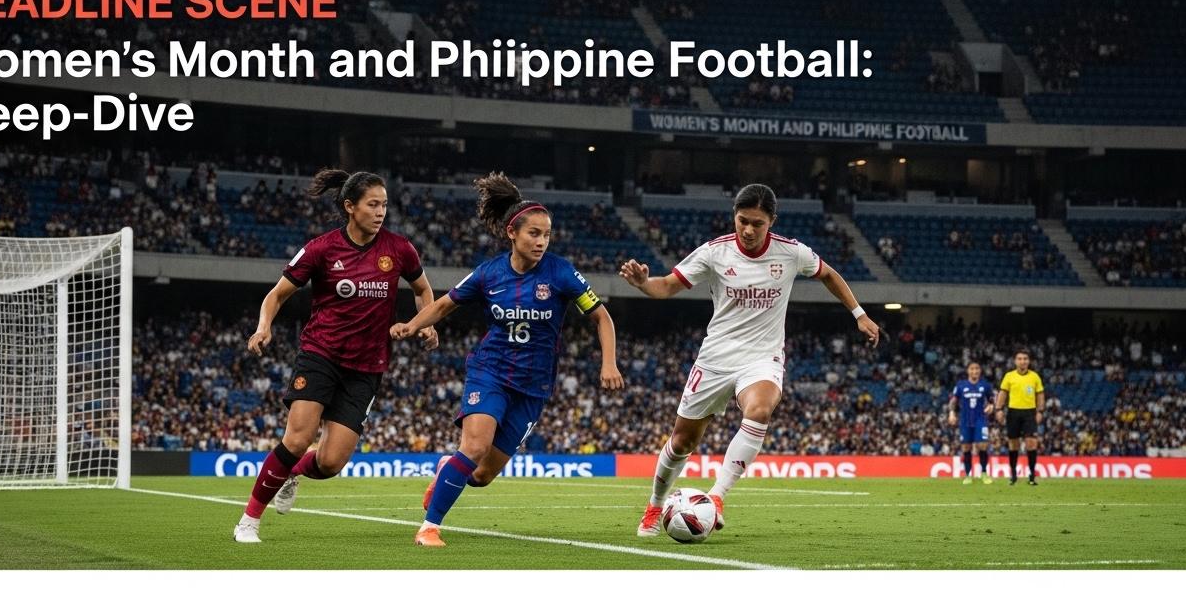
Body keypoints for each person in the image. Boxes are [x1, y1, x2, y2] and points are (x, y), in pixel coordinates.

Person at [618, 183, 880, 536]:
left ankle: (717, 496)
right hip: (716, 358)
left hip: (762, 357)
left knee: (759, 410)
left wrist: (859, 314)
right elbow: (666, 286)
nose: (749, 230)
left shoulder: (792, 253)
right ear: (734, 217)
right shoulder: (714, 252)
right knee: (682, 441)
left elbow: (829, 274)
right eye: (743, 221)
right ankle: (654, 506)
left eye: (758, 223)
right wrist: (643, 283)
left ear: (772, 221)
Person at [390, 173, 622, 547]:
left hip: (534, 385)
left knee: (481, 475)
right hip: (491, 372)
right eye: (534, 233)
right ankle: (429, 527)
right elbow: (445, 304)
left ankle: (447, 469)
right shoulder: (489, 273)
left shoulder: (562, 273)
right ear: (512, 232)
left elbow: (601, 317)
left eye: (547, 235)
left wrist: (608, 362)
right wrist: (413, 324)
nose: (541, 241)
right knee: (474, 446)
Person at [233, 169, 439, 543]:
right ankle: (249, 521)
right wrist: (263, 327)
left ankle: (292, 472)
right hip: (321, 354)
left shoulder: (399, 249)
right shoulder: (322, 249)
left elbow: (424, 290)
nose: (380, 212)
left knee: (330, 463)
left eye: (384, 205)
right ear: (350, 206)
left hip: (367, 366)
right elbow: (276, 295)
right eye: (372, 204)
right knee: (297, 437)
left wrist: (425, 322)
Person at [994, 349, 1045, 486]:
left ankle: (1032, 475)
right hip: (1013, 412)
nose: (1022, 361)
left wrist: (1040, 411)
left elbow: (1040, 395)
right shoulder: (1009, 376)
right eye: (1020, 359)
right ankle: (1013, 475)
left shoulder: (1034, 377)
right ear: (1015, 361)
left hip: (1030, 413)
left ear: (1029, 361)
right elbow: (1003, 393)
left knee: (1031, 443)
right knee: (1013, 444)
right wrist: (998, 409)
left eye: (1025, 359)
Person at [947, 361, 994, 484]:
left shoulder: (985, 385)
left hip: (981, 420)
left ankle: (984, 473)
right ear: (968, 371)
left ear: (980, 370)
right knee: (966, 447)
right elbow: (953, 401)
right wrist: (951, 413)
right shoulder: (961, 385)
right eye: (972, 369)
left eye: (977, 368)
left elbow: (992, 399)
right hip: (965, 420)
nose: (975, 371)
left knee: (983, 445)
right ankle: (968, 475)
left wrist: (991, 406)